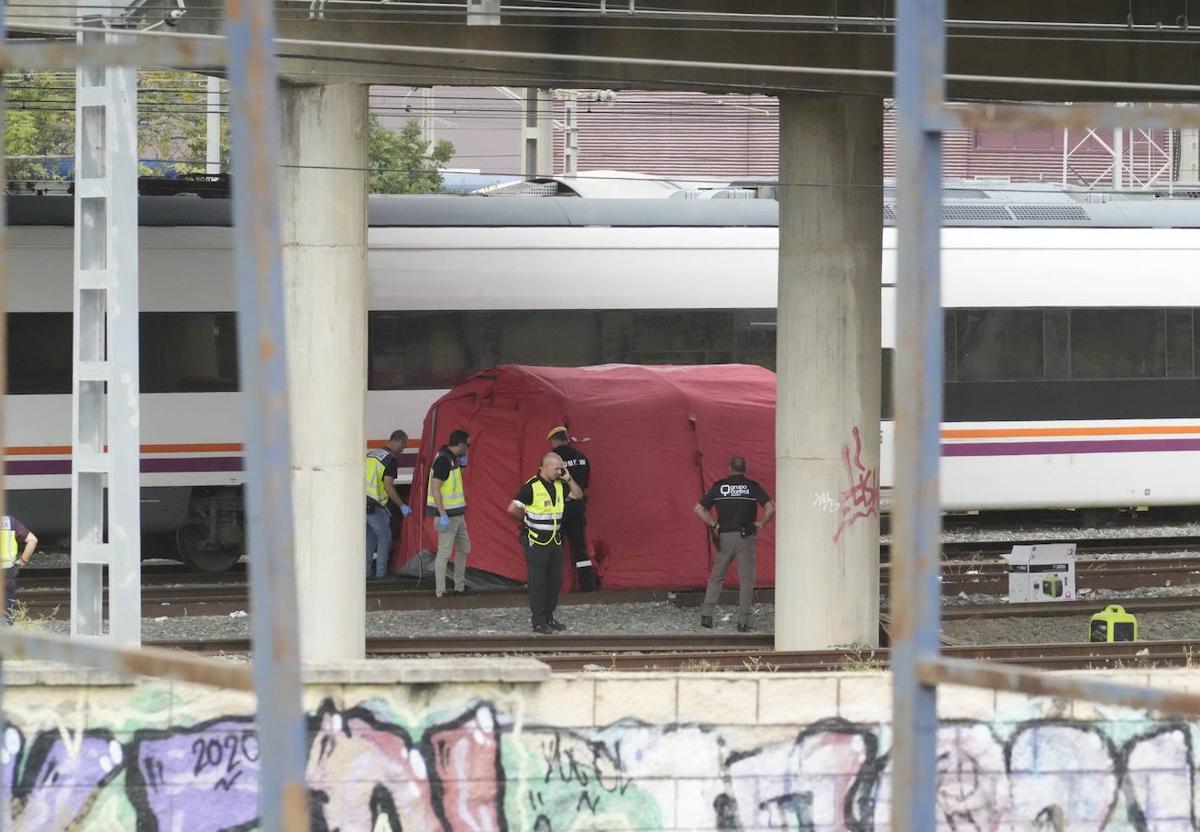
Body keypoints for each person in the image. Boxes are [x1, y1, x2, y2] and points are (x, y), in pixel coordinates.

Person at [693, 456, 775, 632]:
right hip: (746, 538)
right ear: (745, 469)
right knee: (746, 580)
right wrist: (761, 523)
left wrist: (714, 525)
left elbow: (699, 508)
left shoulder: (720, 487)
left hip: (725, 537)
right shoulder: (752, 487)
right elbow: (771, 507)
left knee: (717, 576)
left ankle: (707, 616)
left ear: (729, 468)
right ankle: (743, 622)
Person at [508, 452, 583, 634]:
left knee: (555, 580)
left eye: (561, 468)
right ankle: (538, 621)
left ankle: (549, 617)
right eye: (557, 468)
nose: (560, 471)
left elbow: (578, 494)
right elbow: (512, 509)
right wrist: (526, 521)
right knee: (538, 582)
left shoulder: (560, 485)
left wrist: (569, 478)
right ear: (545, 466)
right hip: (536, 541)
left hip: (554, 540)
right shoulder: (531, 487)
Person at [547, 426, 598, 591]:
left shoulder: (551, 460)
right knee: (580, 549)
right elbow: (587, 482)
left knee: (555, 548)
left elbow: (543, 485)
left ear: (554, 441)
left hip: (558, 509)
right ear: (567, 439)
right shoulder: (582, 458)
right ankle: (588, 586)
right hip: (577, 508)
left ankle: (554, 586)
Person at [426, 429, 474, 598]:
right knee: (444, 553)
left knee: (464, 548)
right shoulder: (444, 461)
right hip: (447, 516)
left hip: (457, 514)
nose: (468, 448)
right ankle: (441, 591)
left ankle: (459, 587)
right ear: (460, 444)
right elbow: (435, 487)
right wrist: (442, 513)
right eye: (467, 444)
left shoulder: (451, 459)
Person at [365, 429, 412, 579]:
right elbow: (388, 485)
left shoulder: (372, 454)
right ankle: (381, 575)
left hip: (361, 502)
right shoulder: (390, 459)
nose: (403, 450)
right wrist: (401, 505)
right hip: (373, 503)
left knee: (370, 538)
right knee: (385, 537)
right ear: (399, 441)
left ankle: (365, 574)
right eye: (404, 446)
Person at [0, 516, 36, 625]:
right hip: (7, 570)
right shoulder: (9, 522)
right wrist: (22, 561)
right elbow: (33, 540)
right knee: (5, 616)